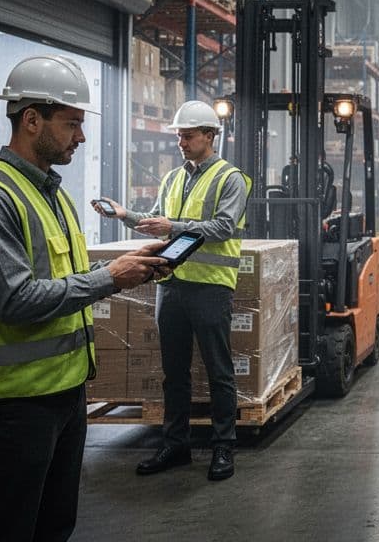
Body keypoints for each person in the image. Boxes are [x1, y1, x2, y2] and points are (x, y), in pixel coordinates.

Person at [0, 55, 168, 542]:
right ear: (31, 120)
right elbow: (16, 300)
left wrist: (126, 267)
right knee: (10, 529)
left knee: (54, 526)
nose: (81, 138)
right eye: (71, 125)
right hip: (15, 403)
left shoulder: (51, 194)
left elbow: (62, 275)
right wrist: (110, 278)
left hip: (64, 394)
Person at [97, 100, 252, 481]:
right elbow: (157, 223)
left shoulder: (231, 178)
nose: (181, 141)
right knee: (174, 372)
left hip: (210, 288)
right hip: (171, 284)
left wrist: (174, 226)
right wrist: (124, 215)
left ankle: (222, 447)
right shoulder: (172, 179)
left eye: (188, 135)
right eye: (179, 135)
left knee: (219, 370)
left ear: (209, 136)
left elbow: (224, 228)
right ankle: (175, 444)